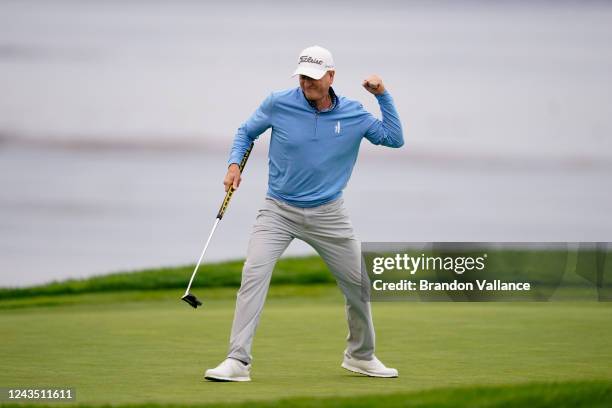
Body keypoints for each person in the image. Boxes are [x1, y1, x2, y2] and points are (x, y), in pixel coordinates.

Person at [205, 45, 404, 382]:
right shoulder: (278, 102)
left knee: (359, 284)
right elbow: (245, 132)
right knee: (253, 274)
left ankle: (360, 356)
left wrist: (382, 95)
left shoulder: (354, 114)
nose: (306, 83)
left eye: (313, 78)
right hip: (278, 211)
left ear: (331, 77)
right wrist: (234, 164)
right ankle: (237, 361)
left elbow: (393, 138)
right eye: (301, 76)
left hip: (330, 215)